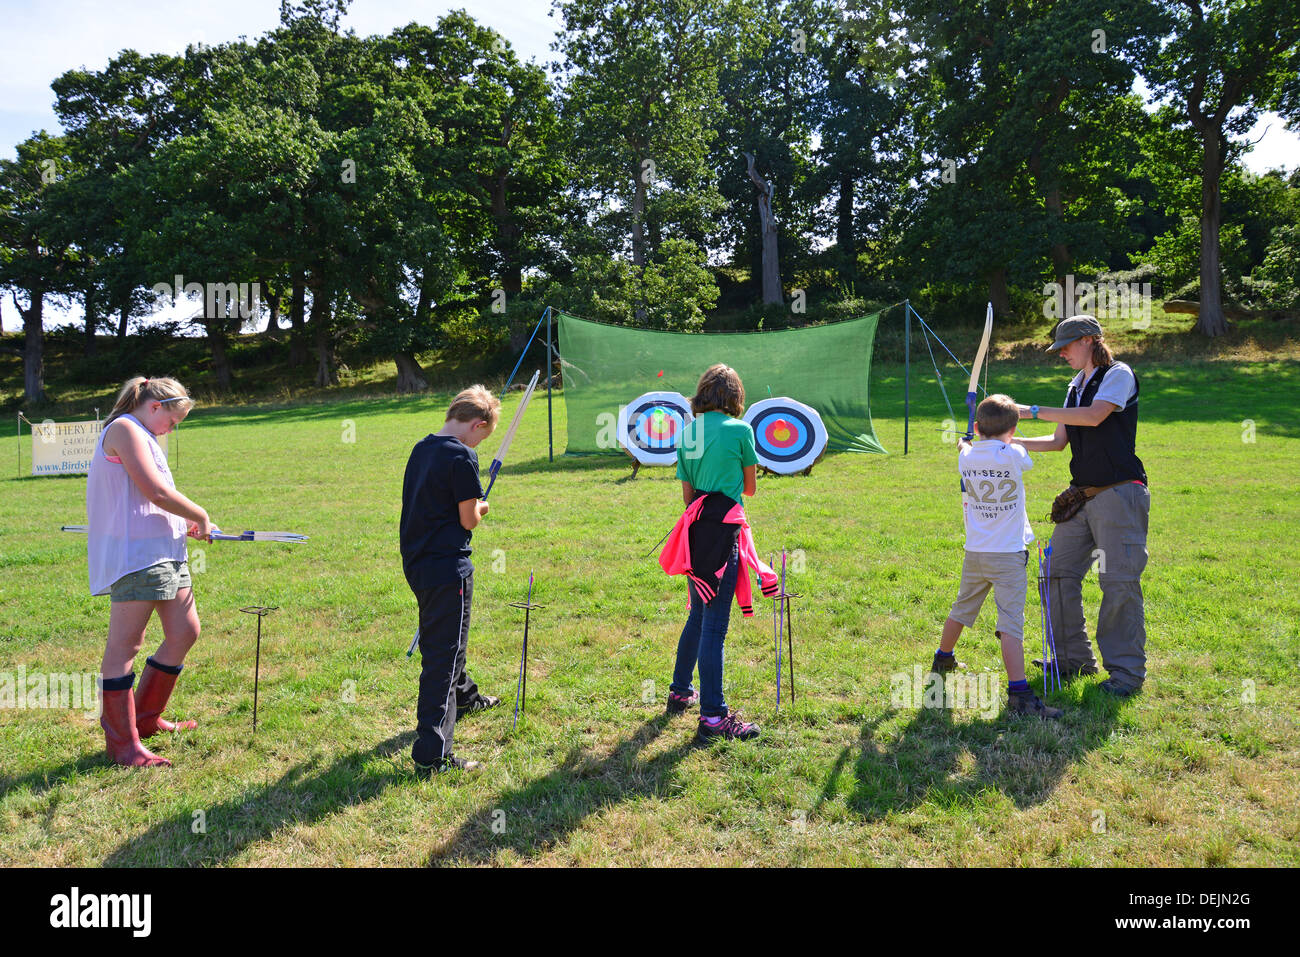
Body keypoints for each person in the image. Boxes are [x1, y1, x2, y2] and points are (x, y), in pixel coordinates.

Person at [1012, 315, 1149, 697]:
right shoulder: (1075, 386)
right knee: (1054, 574)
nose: (1063, 354)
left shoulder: (1117, 374)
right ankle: (1074, 660)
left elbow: (1093, 417)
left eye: (1068, 347)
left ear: (1090, 340)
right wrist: (1008, 441)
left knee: (1118, 582)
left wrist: (1031, 409)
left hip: (1120, 495)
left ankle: (1125, 675)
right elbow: (1059, 442)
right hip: (1083, 497)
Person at [89, 376, 212, 768]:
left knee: (184, 631)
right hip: (137, 556)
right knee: (124, 648)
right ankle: (122, 746)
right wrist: (200, 514)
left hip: (165, 552)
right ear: (155, 406)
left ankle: (145, 719)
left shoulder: (144, 434)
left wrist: (182, 525)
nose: (172, 430)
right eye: (173, 422)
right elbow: (154, 493)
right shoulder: (125, 429)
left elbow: (153, 501)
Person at [659, 364, 775, 743]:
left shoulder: (689, 431)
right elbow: (751, 488)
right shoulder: (741, 430)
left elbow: (688, 495)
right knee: (714, 627)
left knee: (698, 614)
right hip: (725, 533)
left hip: (695, 531)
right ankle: (713, 716)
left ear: (703, 394)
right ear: (735, 397)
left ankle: (680, 690)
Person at [930, 394, 1061, 718]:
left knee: (961, 609)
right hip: (1008, 555)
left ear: (977, 427)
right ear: (1013, 430)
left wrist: (965, 443)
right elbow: (1019, 453)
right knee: (1011, 625)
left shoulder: (967, 457)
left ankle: (942, 656)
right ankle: (1019, 694)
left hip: (975, 551)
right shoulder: (1014, 453)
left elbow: (965, 448)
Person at [401, 385, 503, 776]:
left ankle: (466, 698)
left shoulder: (421, 447)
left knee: (444, 638)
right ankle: (433, 752)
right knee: (444, 653)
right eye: (484, 434)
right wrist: (482, 506)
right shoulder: (463, 456)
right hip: (447, 568)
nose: (481, 441)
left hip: (418, 562)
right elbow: (468, 519)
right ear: (477, 425)